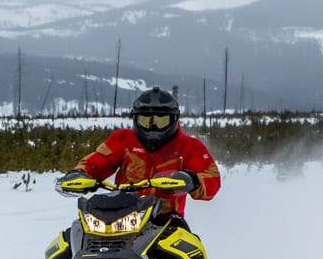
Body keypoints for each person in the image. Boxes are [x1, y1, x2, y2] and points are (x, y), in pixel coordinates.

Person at [58, 86, 221, 223]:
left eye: (160, 121)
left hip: (166, 218)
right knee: (71, 241)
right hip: (122, 214)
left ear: (174, 119)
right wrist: (80, 174)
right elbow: (97, 161)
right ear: (136, 119)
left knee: (188, 249)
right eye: (146, 120)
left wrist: (192, 181)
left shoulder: (189, 146)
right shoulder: (122, 139)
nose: (153, 127)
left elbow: (212, 178)